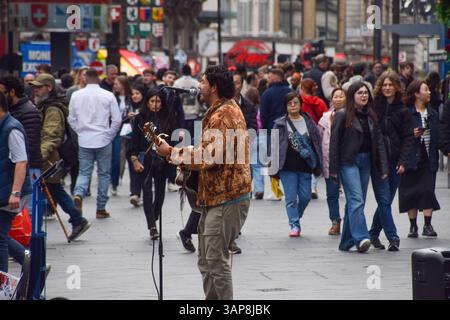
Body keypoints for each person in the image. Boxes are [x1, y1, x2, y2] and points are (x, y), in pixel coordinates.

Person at [155, 65, 252, 300]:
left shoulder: (224, 114)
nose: (199, 85)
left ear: (214, 87)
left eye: (203, 81)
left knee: (215, 261)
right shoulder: (219, 111)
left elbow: (209, 156)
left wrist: (172, 153)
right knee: (206, 260)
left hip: (227, 197)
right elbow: (208, 151)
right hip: (215, 196)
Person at [329, 82, 389, 253]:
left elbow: (378, 142)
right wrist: (333, 169)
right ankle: (362, 237)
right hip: (348, 162)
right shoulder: (342, 115)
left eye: (366, 93)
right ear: (352, 96)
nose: (364, 96)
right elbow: (334, 143)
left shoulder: (371, 115)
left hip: (366, 161)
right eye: (359, 93)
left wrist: (383, 167)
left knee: (354, 204)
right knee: (357, 200)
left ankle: (346, 241)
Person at [31, 74, 91, 240]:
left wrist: (40, 156)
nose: (35, 90)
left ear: (49, 88)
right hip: (49, 157)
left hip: (50, 158)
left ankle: (77, 220)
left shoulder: (53, 109)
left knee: (53, 188)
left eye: (39, 87)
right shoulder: (46, 105)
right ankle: (77, 220)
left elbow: (52, 135)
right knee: (54, 189)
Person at [369, 71, 413, 251]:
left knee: (385, 201)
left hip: (395, 160)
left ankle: (372, 233)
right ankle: (393, 237)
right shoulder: (373, 108)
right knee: (384, 199)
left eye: (390, 85)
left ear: (396, 87)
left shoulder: (403, 110)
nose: (387, 88)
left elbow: (408, 137)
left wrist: (403, 161)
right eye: (384, 85)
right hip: (378, 161)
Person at [68, 69, 121, 219]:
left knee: (84, 172)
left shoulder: (76, 95)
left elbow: (71, 119)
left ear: (85, 78)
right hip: (103, 138)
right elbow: (117, 119)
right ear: (98, 78)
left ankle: (79, 192)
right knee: (104, 174)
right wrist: (109, 135)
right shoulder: (108, 95)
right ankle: (101, 207)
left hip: (85, 139)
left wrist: (80, 131)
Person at [128, 88, 176, 240]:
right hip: (146, 159)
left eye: (158, 101)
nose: (156, 104)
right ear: (147, 102)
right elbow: (134, 142)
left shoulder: (168, 117)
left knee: (160, 194)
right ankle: (152, 226)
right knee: (147, 192)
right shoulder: (140, 119)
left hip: (162, 161)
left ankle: (154, 216)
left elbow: (172, 140)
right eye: (152, 101)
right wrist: (135, 160)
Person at [273, 92, 322, 237]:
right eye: (290, 103)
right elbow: (274, 146)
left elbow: (317, 143)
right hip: (287, 166)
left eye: (295, 103)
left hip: (305, 166)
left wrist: (319, 163)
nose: (293, 106)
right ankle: (294, 225)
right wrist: (272, 169)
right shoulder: (280, 123)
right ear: (286, 106)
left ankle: (296, 216)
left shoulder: (309, 122)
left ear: (300, 104)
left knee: (306, 196)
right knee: (290, 198)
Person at [399, 80, 440, 238]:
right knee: (411, 191)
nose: (429, 92)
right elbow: (399, 134)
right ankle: (413, 226)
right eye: (426, 89)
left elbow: (439, 134)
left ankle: (427, 225)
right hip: (410, 157)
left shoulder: (433, 113)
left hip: (429, 157)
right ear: (417, 93)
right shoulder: (406, 113)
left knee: (428, 190)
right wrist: (412, 133)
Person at [0, 92, 32, 275]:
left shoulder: (12, 129)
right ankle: (29, 260)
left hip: (11, 192)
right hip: (5, 189)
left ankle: (2, 282)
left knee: (0, 237)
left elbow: (21, 161)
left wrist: (15, 193)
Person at [0, 76, 42, 179]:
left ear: (12, 92)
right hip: (14, 166)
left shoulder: (28, 112)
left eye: (1, 93)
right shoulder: (10, 110)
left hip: (28, 167)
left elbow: (30, 144)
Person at [318, 87, 346, 235]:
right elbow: (319, 139)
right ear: (331, 100)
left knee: (351, 194)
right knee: (332, 193)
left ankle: (350, 221)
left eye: (342, 96)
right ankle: (335, 221)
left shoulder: (351, 116)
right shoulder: (324, 119)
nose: (339, 99)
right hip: (329, 161)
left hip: (347, 160)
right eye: (336, 96)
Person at [111, 75, 132, 196]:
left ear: (124, 85)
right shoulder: (112, 97)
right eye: (114, 84)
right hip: (117, 131)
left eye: (117, 83)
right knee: (116, 157)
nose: (115, 85)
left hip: (129, 130)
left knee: (130, 157)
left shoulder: (131, 97)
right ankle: (114, 183)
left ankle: (134, 189)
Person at [127, 83, 148, 207]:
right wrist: (126, 117)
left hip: (141, 142)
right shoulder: (127, 106)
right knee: (132, 166)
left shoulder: (145, 108)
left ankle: (136, 193)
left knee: (140, 167)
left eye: (137, 93)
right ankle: (135, 192)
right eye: (133, 93)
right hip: (128, 139)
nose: (134, 96)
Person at [174, 64, 201, 137]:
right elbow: (200, 95)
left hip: (181, 114)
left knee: (183, 140)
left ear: (181, 71)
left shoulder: (177, 83)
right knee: (194, 138)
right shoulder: (196, 83)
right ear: (190, 72)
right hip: (194, 113)